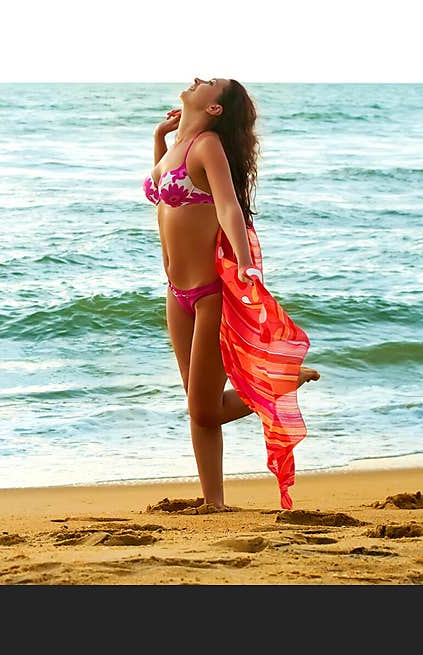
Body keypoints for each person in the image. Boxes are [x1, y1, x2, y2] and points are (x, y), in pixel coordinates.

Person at [144, 77, 321, 510]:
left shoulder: (206, 145)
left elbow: (228, 206)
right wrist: (158, 137)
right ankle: (214, 501)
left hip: (209, 295)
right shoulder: (175, 146)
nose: (199, 79)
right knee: (198, 407)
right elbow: (160, 191)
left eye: (211, 83)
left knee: (204, 410)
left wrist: (245, 262)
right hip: (176, 292)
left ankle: (275, 384)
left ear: (216, 108)